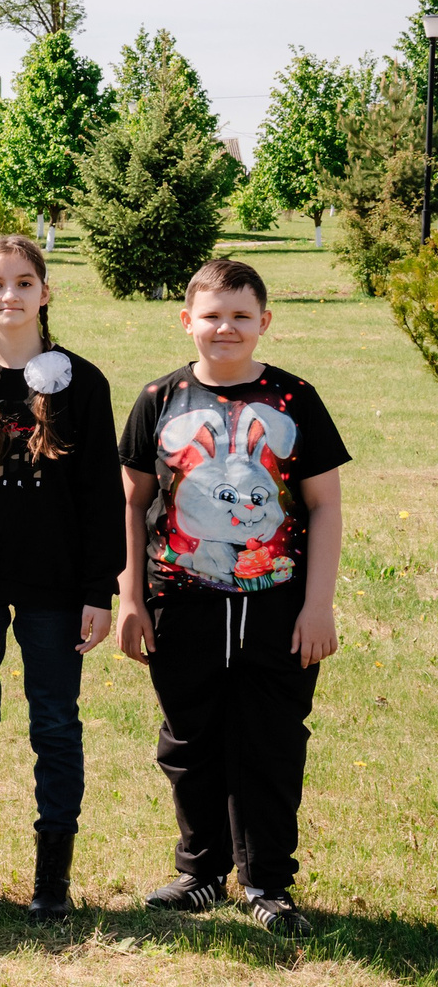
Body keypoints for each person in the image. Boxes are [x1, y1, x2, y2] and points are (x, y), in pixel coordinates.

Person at [116, 257, 346, 938]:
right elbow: (130, 504)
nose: (226, 328)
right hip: (180, 602)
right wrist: (130, 598)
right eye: (212, 316)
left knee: (271, 742)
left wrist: (318, 606)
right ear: (186, 320)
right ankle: (201, 873)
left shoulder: (295, 398)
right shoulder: (159, 399)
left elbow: (324, 505)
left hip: (278, 605)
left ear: (264, 322)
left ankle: (267, 881)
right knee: (189, 740)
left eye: (241, 316)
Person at [0, 234, 122, 921]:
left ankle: (51, 882)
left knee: (56, 724)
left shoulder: (83, 384)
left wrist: (98, 590)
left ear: (45, 291)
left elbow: (100, 497)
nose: (11, 295)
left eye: (24, 282)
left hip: (55, 587)